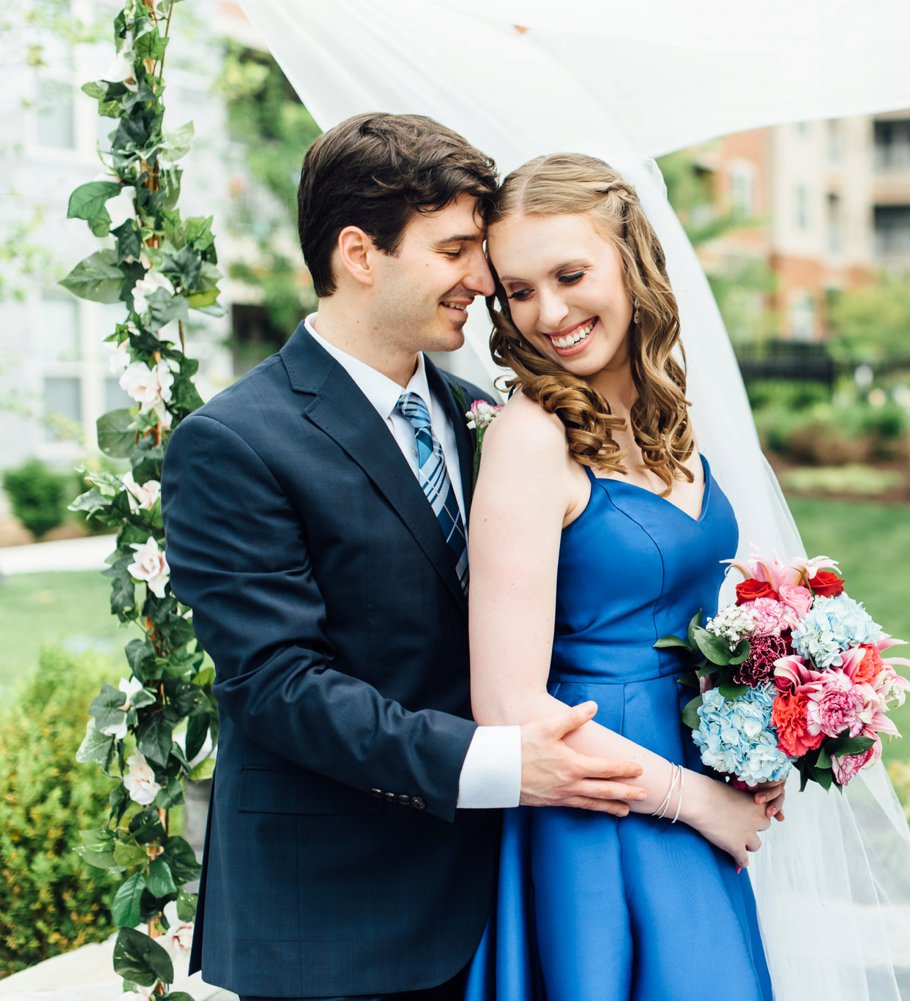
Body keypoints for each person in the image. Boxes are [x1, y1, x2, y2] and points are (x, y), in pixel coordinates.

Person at [160, 114, 648, 1001]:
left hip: (509, 896)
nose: (484, 278)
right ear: (359, 252)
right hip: (339, 922)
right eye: (457, 248)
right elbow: (278, 686)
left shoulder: (493, 421)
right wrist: (504, 763)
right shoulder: (232, 442)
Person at [463, 152, 784, 1000]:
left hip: (687, 790)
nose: (549, 313)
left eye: (570, 274)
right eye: (519, 291)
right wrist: (697, 801)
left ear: (631, 259)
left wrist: (759, 729)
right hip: (600, 817)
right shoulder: (530, 437)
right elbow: (509, 708)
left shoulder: (664, 412)